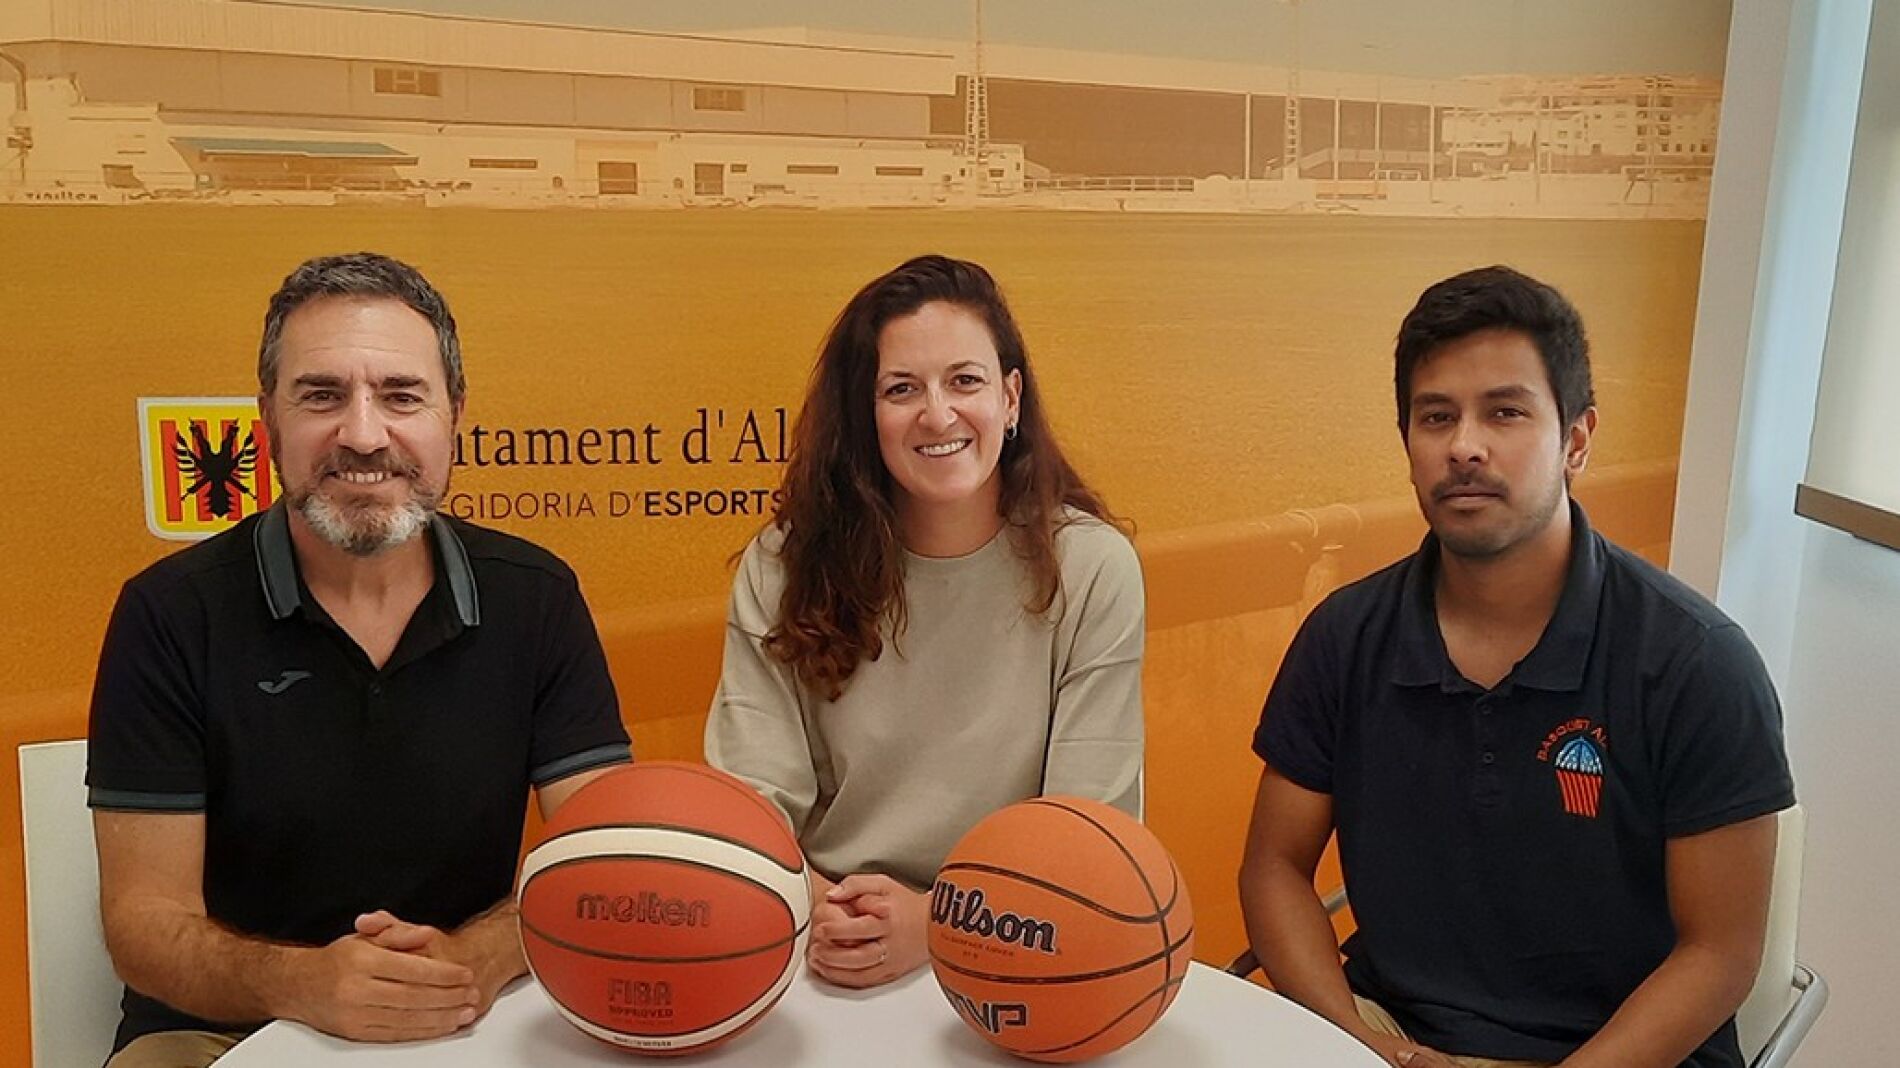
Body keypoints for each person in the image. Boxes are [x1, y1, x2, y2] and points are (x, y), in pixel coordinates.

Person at [1239, 266, 1795, 1068]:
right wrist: (1361, 1043)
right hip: (1393, 1035)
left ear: (1576, 440)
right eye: (1436, 416)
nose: (1464, 446)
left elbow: (1720, 953)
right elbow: (1275, 868)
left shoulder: (1696, 661)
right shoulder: (1345, 637)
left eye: (1505, 412)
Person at [86, 252, 632, 1066]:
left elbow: (608, 858)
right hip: (225, 1031)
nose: (364, 435)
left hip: (470, 1015)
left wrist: (477, 958)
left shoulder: (536, 596)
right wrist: (303, 983)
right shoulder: (170, 613)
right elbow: (143, 926)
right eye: (322, 396)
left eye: (402, 396)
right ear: (268, 420)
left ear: (455, 415)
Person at [705, 254, 1144, 990]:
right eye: (901, 388)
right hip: (815, 936)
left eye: (964, 381)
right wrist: (827, 911)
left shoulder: (1094, 570)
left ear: (1010, 398)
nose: (938, 415)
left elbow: (1086, 833)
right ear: (865, 415)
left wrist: (936, 922)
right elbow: (750, 807)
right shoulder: (781, 567)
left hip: (1022, 944)